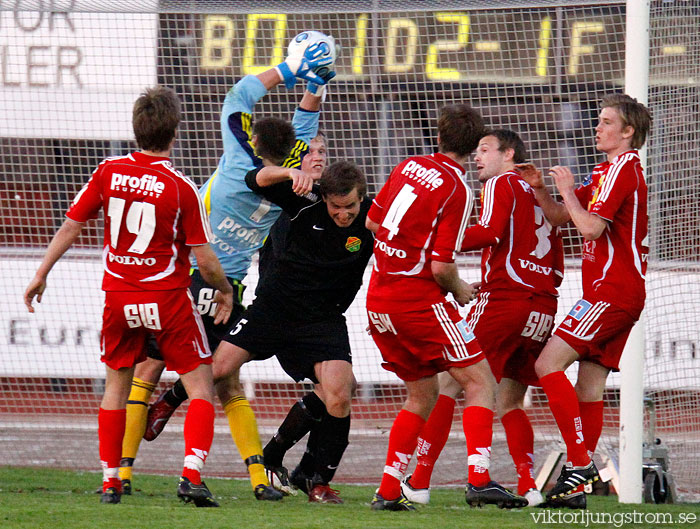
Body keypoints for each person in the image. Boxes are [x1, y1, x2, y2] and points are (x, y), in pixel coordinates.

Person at [117, 37, 336, 501]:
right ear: (290, 154)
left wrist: (289, 68)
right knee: (226, 381)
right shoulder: (291, 177)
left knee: (150, 367)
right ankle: (257, 479)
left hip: (191, 275)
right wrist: (314, 87)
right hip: (226, 285)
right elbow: (302, 128)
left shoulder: (242, 157)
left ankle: (122, 471)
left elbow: (237, 96)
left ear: (256, 140)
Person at [23, 87, 234, 507]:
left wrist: (41, 273)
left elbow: (70, 225)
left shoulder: (107, 171)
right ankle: (191, 474)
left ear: (135, 129)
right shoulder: (181, 187)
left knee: (116, 388)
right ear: (175, 132)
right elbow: (206, 261)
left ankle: (111, 480)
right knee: (200, 387)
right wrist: (225, 291)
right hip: (167, 299)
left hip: (119, 297)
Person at [365, 105, 527, 511]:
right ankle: (478, 479)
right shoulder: (458, 187)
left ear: (439, 136)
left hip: (378, 299)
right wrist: (459, 290)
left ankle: (388, 491)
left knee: (421, 395)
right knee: (480, 382)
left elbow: (372, 222)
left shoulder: (407, 165)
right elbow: (441, 267)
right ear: (474, 144)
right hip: (416, 301)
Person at [398, 130, 564, 508]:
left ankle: (422, 480)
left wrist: (441, 241)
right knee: (510, 398)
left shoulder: (502, 183)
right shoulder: (538, 194)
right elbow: (554, 261)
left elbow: (488, 232)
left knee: (449, 383)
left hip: (505, 299)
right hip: (541, 306)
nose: (477, 158)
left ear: (509, 155)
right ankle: (529, 485)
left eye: (485, 150)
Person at [212, 160, 373, 504]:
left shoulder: (375, 215)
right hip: (276, 307)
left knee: (340, 393)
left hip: (322, 319)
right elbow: (252, 179)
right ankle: (163, 413)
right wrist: (288, 173)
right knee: (218, 370)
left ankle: (316, 480)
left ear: (363, 198)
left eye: (350, 207)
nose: (343, 215)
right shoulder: (304, 200)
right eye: (336, 207)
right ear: (324, 198)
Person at [520, 93, 651, 502]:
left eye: (607, 122)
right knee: (588, 389)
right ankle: (577, 481)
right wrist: (545, 191)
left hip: (613, 291)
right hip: (618, 293)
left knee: (547, 363)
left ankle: (579, 463)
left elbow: (591, 228)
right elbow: (563, 218)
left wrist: (567, 191)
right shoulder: (605, 171)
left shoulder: (624, 169)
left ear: (628, 132)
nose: (597, 127)